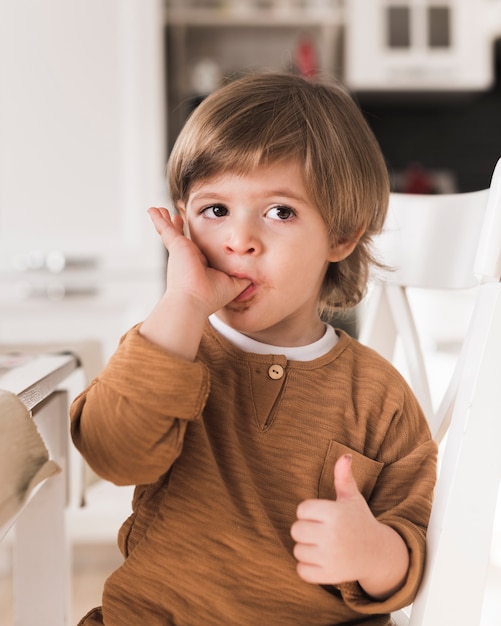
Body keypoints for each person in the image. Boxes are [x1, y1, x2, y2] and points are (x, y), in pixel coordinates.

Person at [70, 72, 437, 626]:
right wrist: (182, 305)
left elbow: (413, 542)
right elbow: (111, 453)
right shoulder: (166, 345)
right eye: (215, 210)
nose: (239, 239)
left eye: (279, 212)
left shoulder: (380, 396)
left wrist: (373, 553)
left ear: (341, 236)